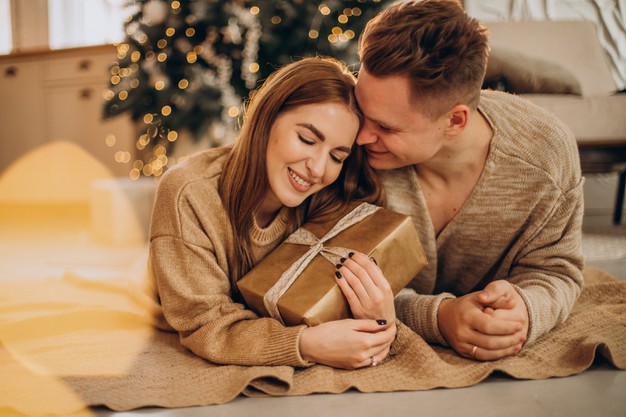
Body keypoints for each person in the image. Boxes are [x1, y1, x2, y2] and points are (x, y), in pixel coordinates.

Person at [353, 0, 584, 361]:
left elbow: (556, 269)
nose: (360, 136)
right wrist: (438, 318)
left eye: (385, 126)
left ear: (456, 121)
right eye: (360, 110)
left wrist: (524, 308)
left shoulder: (545, 155)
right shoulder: (347, 152)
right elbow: (335, 276)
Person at [149, 56, 397, 370]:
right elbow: (205, 325)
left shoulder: (334, 195)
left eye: (337, 157)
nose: (318, 169)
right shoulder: (189, 192)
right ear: (266, 118)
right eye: (307, 139)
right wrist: (305, 344)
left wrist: (380, 316)